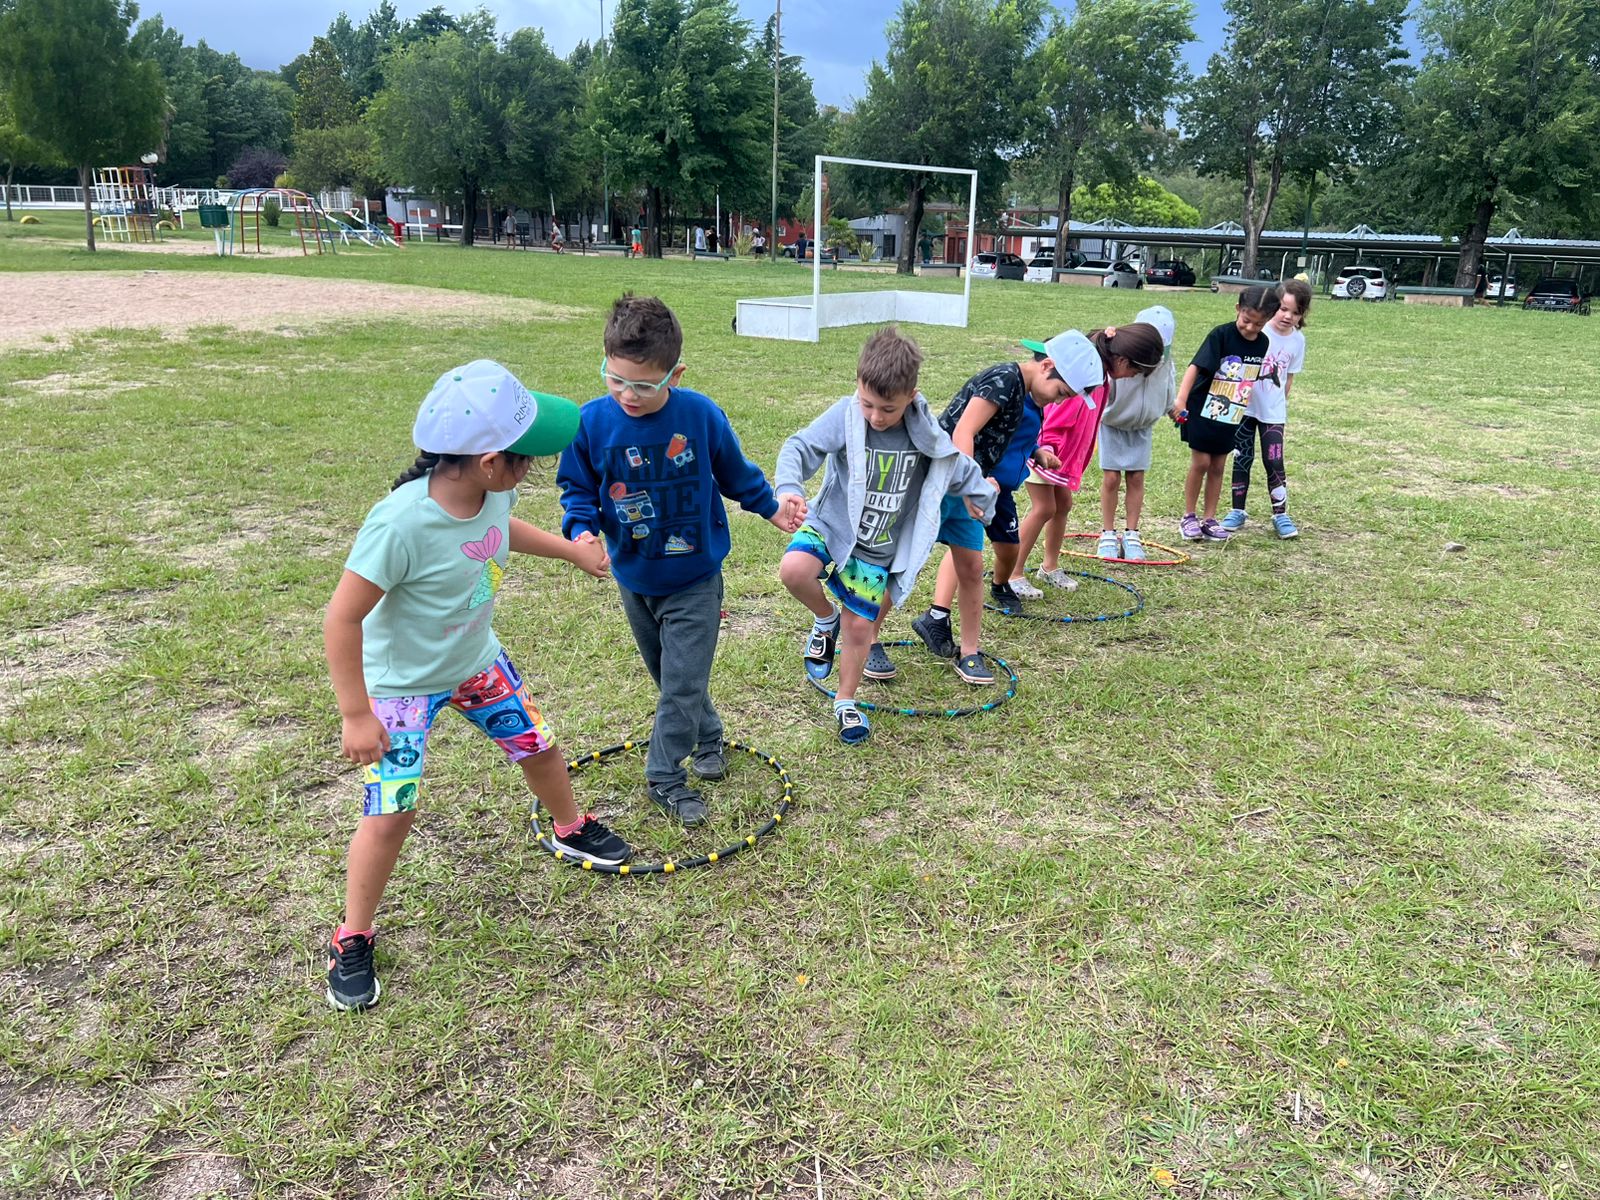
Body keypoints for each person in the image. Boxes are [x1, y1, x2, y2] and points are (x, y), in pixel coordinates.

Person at [322, 361, 629, 1012]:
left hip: (476, 663)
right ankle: (352, 935)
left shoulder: (492, 492)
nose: (533, 468)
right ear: (490, 462)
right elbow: (341, 618)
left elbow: (498, 531)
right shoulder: (400, 525)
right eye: (527, 458)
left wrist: (571, 551)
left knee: (539, 746)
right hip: (401, 688)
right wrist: (355, 714)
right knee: (392, 812)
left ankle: (570, 826)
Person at [558, 295, 805, 825]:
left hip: (695, 578)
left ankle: (664, 776)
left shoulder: (700, 415)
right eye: (615, 379)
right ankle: (708, 736)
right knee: (669, 676)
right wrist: (581, 530)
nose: (628, 394)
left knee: (683, 682)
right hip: (634, 575)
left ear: (675, 374)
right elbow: (576, 489)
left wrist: (771, 508)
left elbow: (735, 473)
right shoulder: (590, 423)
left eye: (644, 385)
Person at [775, 327, 995, 744]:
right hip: (830, 525)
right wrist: (789, 487)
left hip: (875, 547)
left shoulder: (923, 431)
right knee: (793, 570)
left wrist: (981, 496)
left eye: (888, 409)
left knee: (860, 628)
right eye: (868, 404)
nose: (876, 416)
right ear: (858, 386)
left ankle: (845, 701)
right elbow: (800, 447)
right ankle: (825, 618)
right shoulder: (845, 415)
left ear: (911, 396)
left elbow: (956, 465)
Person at [930, 335, 1091, 620]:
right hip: (970, 479)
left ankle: (999, 585)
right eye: (1061, 392)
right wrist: (973, 485)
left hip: (993, 486)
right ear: (1046, 366)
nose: (1057, 400)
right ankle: (937, 614)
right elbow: (963, 431)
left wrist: (1037, 452)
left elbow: (1011, 439)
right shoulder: (1006, 382)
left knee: (1008, 547)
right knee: (960, 547)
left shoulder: (1027, 396)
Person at [1012, 324, 1166, 584]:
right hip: (1043, 451)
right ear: (1122, 360)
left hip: (1061, 458)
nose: (1132, 377)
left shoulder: (1101, 376)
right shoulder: (1086, 375)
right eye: (1135, 371)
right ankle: (1012, 573)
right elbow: (1055, 415)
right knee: (1044, 508)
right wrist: (1047, 447)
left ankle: (1049, 567)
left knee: (1062, 506)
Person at [1173, 285, 1281, 541]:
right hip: (1202, 407)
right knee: (1201, 462)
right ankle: (1189, 516)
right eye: (1246, 320)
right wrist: (1181, 399)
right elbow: (1195, 366)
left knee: (1218, 466)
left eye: (1259, 323)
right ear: (1238, 309)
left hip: (1232, 412)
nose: (1251, 327)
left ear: (1268, 319)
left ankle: (1210, 519)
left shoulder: (1263, 343)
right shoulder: (1220, 335)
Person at [1090, 305, 1178, 561]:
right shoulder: (1122, 362)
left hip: (1142, 428)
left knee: (1136, 478)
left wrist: (1170, 407)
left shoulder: (1163, 363)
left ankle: (1131, 533)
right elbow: (1105, 393)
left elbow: (1168, 386)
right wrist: (1102, 414)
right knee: (1111, 478)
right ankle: (1108, 532)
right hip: (1114, 425)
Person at [1223, 278, 1309, 539]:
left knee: (1274, 460)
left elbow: (1289, 377)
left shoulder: (1298, 341)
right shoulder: (1259, 331)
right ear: (1273, 306)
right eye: (1283, 308)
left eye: (1296, 312)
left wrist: (1279, 403)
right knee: (1242, 457)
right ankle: (1237, 510)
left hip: (1273, 413)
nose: (1288, 316)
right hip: (1244, 410)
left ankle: (1280, 514)